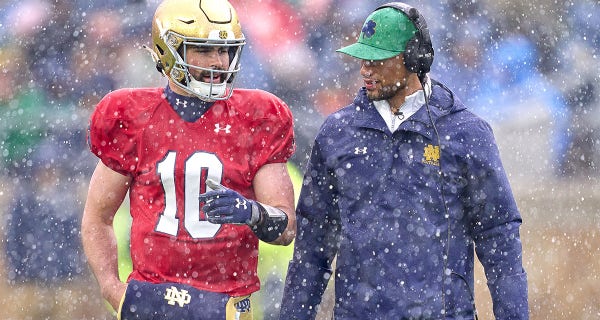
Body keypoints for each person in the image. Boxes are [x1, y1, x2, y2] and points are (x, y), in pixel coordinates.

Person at [280, 3, 528, 319]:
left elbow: (500, 238)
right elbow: (312, 248)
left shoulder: (466, 133)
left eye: (377, 60)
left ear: (413, 60)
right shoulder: (336, 133)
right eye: (362, 59)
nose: (365, 69)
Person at [81, 0, 297, 319]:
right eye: (205, 50)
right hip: (151, 296)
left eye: (225, 50)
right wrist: (112, 290)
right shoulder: (131, 115)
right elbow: (98, 218)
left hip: (226, 301)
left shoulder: (259, 116)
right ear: (169, 52)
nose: (220, 62)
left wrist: (253, 213)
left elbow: (286, 228)